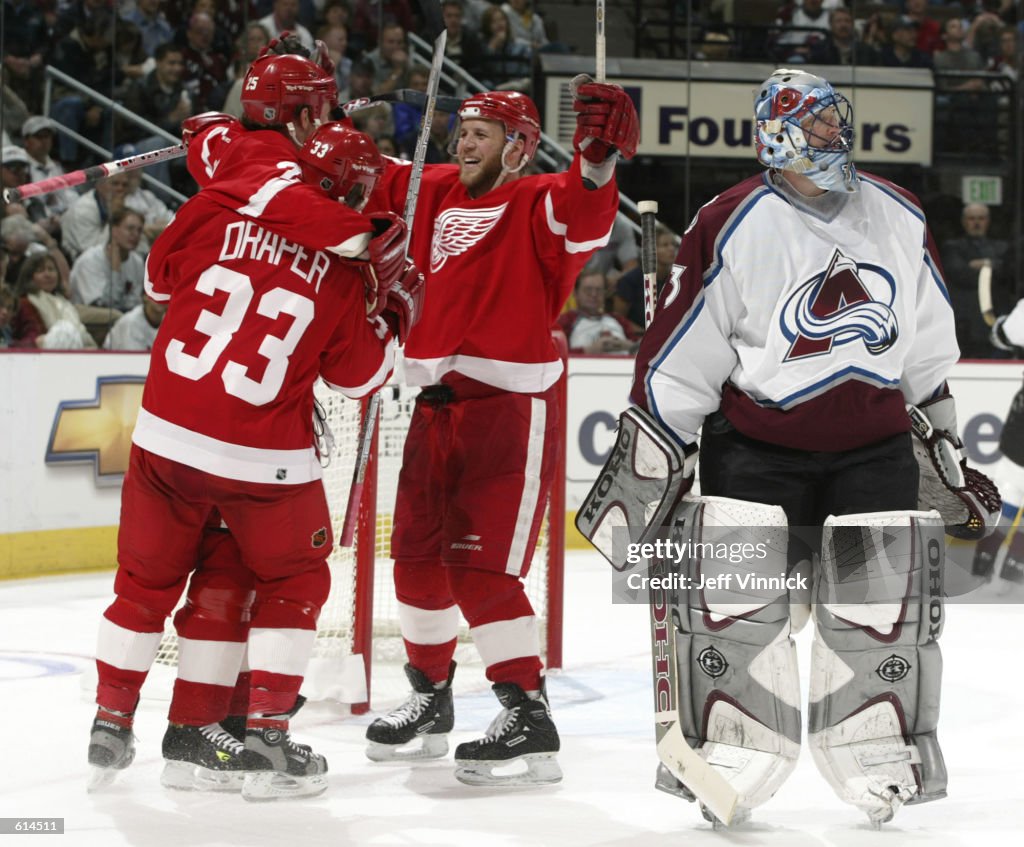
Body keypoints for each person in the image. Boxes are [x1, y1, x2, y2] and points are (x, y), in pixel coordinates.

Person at [615, 68, 1000, 826]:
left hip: (875, 453)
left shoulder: (898, 212)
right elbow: (682, 351)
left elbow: (925, 347)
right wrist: (648, 470)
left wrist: (944, 445)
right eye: (817, 122)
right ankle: (730, 745)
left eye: (835, 119)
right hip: (757, 453)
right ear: (777, 131)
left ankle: (876, 747)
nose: (833, 133)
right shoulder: (731, 220)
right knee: (737, 615)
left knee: (874, 615)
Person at [87, 119, 424, 800]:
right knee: (294, 581)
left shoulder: (219, 208)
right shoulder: (342, 266)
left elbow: (157, 284)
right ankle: (267, 731)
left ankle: (115, 718)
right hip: (260, 464)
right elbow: (357, 379)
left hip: (163, 441)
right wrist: (394, 307)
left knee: (144, 584)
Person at [360, 82, 638, 785]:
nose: (465, 141)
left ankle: (527, 710)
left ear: (517, 145)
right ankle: (430, 697)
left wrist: (598, 162)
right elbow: (363, 173)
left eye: (481, 133)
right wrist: (297, 134)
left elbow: (586, 213)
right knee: (416, 562)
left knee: (480, 570)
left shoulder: (537, 197)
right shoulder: (438, 189)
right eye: (462, 130)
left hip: (505, 410)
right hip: (434, 407)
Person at [941, 203, 1010, 358]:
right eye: (972, 218)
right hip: (963, 321)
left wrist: (979, 264)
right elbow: (960, 273)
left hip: (995, 319)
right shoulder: (952, 247)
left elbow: (1006, 271)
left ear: (988, 221)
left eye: (981, 218)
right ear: (964, 221)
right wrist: (990, 265)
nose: (976, 223)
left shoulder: (1002, 247)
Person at [12, 251, 96, 349]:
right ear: (30, 277)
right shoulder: (25, 302)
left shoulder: (63, 302)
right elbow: (33, 337)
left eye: (51, 269)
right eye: (40, 271)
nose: (48, 274)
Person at [557, 265, 639, 354]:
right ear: (576, 294)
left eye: (599, 290)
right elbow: (557, 354)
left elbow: (642, 349)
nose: (594, 294)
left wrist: (627, 346)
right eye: (588, 290)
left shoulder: (619, 320)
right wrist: (589, 350)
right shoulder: (566, 321)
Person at [613, 223, 678, 334]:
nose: (671, 249)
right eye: (665, 245)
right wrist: (645, 334)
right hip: (637, 339)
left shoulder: (678, 279)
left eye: (673, 245)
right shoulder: (630, 281)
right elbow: (618, 319)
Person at [102, 291, 168, 351]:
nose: (161, 298)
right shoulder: (131, 321)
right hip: (112, 359)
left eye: (166, 294)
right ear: (145, 296)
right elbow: (132, 359)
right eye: (157, 292)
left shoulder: (170, 321)